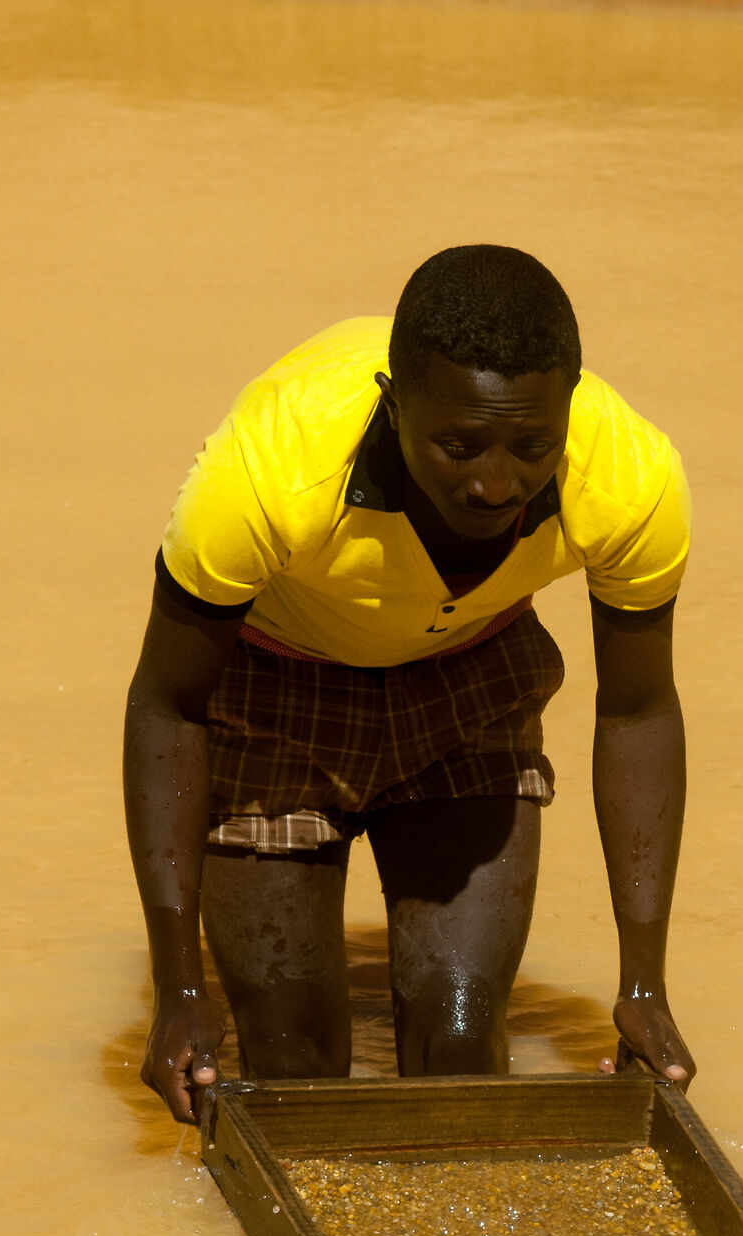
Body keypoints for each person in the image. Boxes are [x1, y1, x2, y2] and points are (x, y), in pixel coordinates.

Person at [125, 244, 694, 1124]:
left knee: (461, 1055)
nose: (496, 482)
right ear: (395, 410)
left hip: (468, 674)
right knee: (291, 1071)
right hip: (279, 684)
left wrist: (644, 984)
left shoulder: (627, 475)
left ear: (568, 414)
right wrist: (176, 989)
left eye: (531, 445)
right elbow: (168, 704)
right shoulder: (271, 471)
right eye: (458, 445)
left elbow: (638, 710)